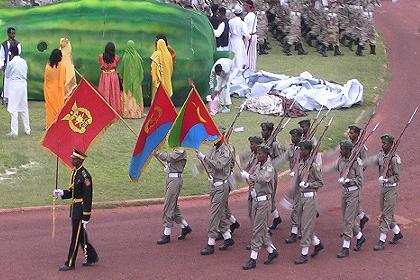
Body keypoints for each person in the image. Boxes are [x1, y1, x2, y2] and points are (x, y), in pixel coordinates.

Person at [53, 149, 99, 271]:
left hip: (81, 210)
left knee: (75, 236)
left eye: (74, 158)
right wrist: (62, 193)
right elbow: (73, 192)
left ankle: (70, 263)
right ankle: (91, 257)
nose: (71, 159)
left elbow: (88, 197)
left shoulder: (85, 176)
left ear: (80, 160)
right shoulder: (75, 173)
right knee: (80, 236)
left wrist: (86, 216)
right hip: (75, 209)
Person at [240, 145, 279, 270]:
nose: (258, 155)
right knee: (261, 229)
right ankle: (271, 250)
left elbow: (263, 179)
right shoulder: (258, 166)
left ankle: (253, 258)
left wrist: (249, 176)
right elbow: (254, 182)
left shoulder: (269, 167)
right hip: (256, 201)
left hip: (264, 203)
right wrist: (251, 186)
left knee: (257, 230)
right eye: (257, 153)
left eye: (261, 154)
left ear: (267, 155)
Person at [197, 138, 234, 255]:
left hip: (222, 186)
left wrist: (204, 158)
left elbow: (219, 165)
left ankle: (211, 242)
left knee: (214, 214)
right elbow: (210, 164)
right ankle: (228, 237)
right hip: (214, 184)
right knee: (221, 212)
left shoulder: (225, 151)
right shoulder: (214, 148)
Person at [294, 140, 324, 265]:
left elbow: (320, 183)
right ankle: (317, 243)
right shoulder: (302, 164)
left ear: (308, 151)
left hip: (310, 198)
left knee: (306, 225)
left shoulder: (314, 166)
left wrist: (308, 184)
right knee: (301, 223)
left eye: (302, 150)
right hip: (302, 197)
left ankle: (304, 253)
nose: (300, 152)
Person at [335, 140, 366, 258]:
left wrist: (349, 181)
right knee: (347, 218)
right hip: (345, 193)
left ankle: (345, 246)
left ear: (349, 150)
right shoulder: (341, 160)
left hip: (354, 193)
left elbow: (360, 181)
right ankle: (360, 237)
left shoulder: (357, 163)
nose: (341, 151)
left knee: (348, 220)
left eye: (342, 149)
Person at [373, 134, 403, 251]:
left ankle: (382, 239)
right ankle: (397, 232)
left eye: (385, 143)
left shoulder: (395, 159)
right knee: (386, 212)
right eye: (382, 143)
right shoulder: (381, 155)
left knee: (385, 215)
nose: (383, 145)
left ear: (391, 144)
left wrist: (387, 179)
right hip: (383, 188)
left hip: (391, 188)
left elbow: (397, 176)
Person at [155, 148, 192, 244]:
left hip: (175, 180)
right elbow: (171, 161)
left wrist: (156, 152)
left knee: (168, 206)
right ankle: (185, 226)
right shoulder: (176, 148)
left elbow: (169, 157)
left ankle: (167, 234)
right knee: (173, 206)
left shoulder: (181, 149)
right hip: (170, 179)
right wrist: (169, 168)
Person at [260, 122, 283, 230]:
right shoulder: (264, 142)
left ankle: (265, 224)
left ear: (269, 131)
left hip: (271, 174)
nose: (262, 132)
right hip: (263, 172)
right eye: (262, 130)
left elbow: (279, 159)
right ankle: (277, 217)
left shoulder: (274, 144)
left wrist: (269, 157)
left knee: (269, 198)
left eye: (264, 130)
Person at [5, 45, 30, 137]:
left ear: (10, 53)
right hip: (23, 85)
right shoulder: (24, 61)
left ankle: (14, 131)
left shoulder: (11, 63)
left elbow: (7, 75)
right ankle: (27, 129)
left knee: (13, 108)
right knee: (24, 107)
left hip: (14, 85)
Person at [347, 124, 369, 230]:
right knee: (349, 202)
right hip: (347, 177)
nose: (349, 134)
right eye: (349, 132)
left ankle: (351, 227)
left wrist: (356, 171)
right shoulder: (347, 145)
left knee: (353, 202)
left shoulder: (361, 147)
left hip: (356, 178)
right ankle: (362, 217)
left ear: (357, 134)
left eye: (351, 133)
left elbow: (364, 163)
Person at [285, 128, 303, 244]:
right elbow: (283, 158)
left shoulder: (305, 149)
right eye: (292, 136)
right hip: (295, 180)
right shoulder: (291, 148)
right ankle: (297, 229)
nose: (293, 138)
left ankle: (295, 231)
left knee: (297, 206)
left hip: (303, 181)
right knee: (297, 206)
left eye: (296, 136)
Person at [120, 40, 144, 119]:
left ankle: (128, 114)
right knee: (136, 97)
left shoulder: (125, 57)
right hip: (136, 82)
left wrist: (122, 77)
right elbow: (141, 70)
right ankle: (137, 113)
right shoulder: (137, 57)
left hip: (127, 82)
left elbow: (122, 70)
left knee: (128, 97)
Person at [43, 48, 66, 128]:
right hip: (58, 91)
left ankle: (50, 126)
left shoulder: (48, 66)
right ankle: (58, 126)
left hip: (49, 90)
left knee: (50, 109)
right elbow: (63, 80)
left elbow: (46, 79)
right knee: (59, 108)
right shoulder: (62, 66)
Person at [98, 42, 122, 115]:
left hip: (104, 76)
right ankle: (114, 110)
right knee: (114, 92)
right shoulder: (116, 57)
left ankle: (103, 110)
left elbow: (101, 66)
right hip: (113, 76)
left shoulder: (101, 57)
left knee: (104, 92)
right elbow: (115, 65)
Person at [1, 27, 22, 104]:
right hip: (7, 66)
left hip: (15, 66)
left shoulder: (18, 44)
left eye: (14, 33)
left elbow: (18, 54)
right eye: (12, 33)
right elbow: (2, 57)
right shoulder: (4, 45)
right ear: (8, 34)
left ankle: (14, 99)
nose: (13, 35)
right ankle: (6, 98)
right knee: (7, 83)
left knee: (15, 83)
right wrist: (2, 66)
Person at [228, 4, 250, 69]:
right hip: (238, 41)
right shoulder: (242, 23)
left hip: (231, 40)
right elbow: (246, 34)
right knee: (239, 58)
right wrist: (249, 38)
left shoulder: (230, 21)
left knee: (232, 57)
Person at [243, 0, 258, 71]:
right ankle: (252, 68)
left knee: (247, 53)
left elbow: (244, 29)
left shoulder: (247, 17)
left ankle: (248, 68)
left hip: (249, 36)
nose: (244, 7)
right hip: (254, 35)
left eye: (245, 5)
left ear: (249, 6)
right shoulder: (254, 15)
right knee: (252, 54)